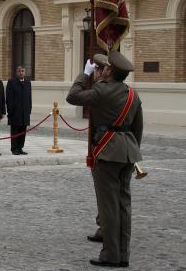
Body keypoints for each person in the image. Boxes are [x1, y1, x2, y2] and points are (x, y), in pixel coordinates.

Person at [66, 51, 142, 268]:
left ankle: (110, 254)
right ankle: (123, 253)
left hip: (108, 153)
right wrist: (130, 150)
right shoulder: (132, 94)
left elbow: (73, 96)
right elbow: (138, 129)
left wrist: (84, 74)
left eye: (106, 67)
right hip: (128, 153)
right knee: (123, 205)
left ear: (109, 71)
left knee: (108, 206)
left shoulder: (101, 89)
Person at [6, 66, 32, 155]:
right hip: (15, 111)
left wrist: (29, 109)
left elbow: (29, 97)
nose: (21, 73)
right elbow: (9, 99)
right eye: (19, 71)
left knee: (22, 131)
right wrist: (10, 111)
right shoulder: (11, 82)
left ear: (25, 72)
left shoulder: (28, 83)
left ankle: (20, 147)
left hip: (25, 111)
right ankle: (14, 148)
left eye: (23, 71)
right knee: (15, 131)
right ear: (17, 72)